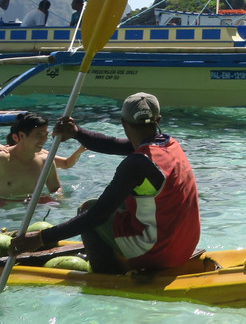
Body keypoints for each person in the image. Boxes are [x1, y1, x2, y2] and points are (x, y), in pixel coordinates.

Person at [11, 92, 201, 274]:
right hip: (185, 246)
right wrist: (77, 133)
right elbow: (113, 144)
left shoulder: (136, 163)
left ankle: (108, 275)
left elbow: (97, 215)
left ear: (123, 123)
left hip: (159, 253)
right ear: (158, 121)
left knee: (87, 208)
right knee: (125, 201)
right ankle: (123, 253)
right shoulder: (170, 144)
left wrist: (42, 238)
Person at [0, 112, 86, 201]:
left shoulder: (46, 161)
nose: (44, 139)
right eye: (38, 135)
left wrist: (59, 204)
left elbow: (55, 190)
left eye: (46, 135)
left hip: (31, 207)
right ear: (21, 136)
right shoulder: (2, 158)